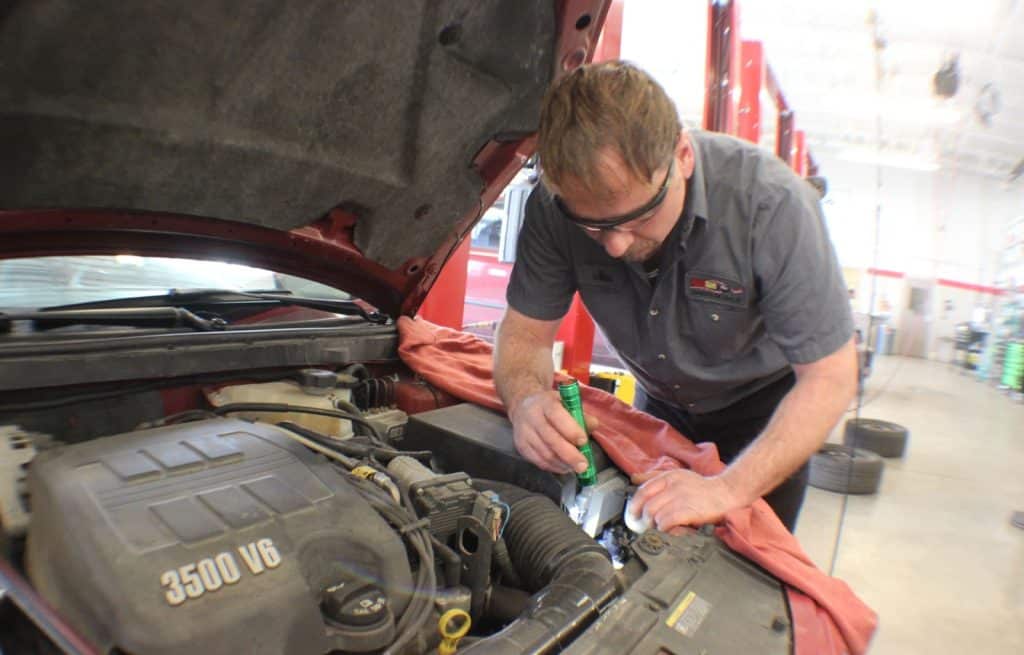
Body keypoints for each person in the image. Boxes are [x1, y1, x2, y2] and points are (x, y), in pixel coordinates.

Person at [493, 61, 857, 532]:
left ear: (682, 156)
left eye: (638, 216)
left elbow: (830, 378)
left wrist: (727, 489)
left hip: (765, 415)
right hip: (660, 407)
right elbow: (524, 336)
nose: (616, 245)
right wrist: (524, 403)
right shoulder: (555, 206)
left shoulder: (772, 206)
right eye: (594, 226)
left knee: (742, 577)